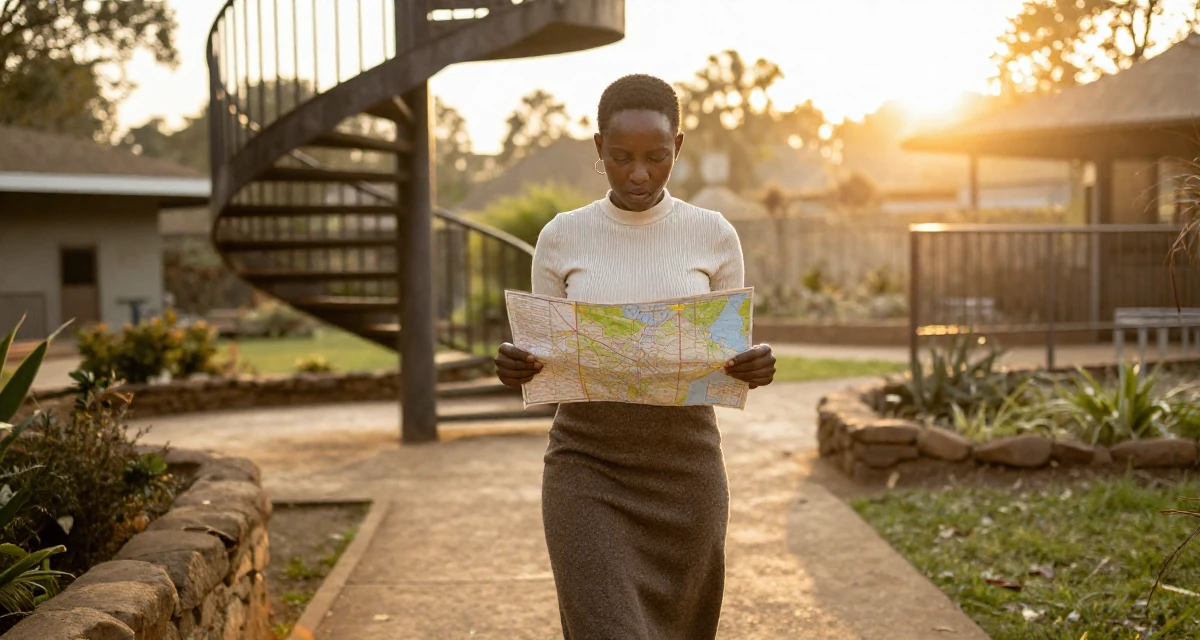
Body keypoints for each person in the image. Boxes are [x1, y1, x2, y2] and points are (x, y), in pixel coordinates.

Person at [493, 73, 777, 640]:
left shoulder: (714, 235)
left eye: (656, 157)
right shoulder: (561, 237)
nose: (639, 174)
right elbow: (545, 354)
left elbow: (728, 352)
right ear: (599, 148)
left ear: (678, 148)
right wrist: (516, 367)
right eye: (621, 157)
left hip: (687, 471)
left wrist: (755, 365)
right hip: (587, 468)